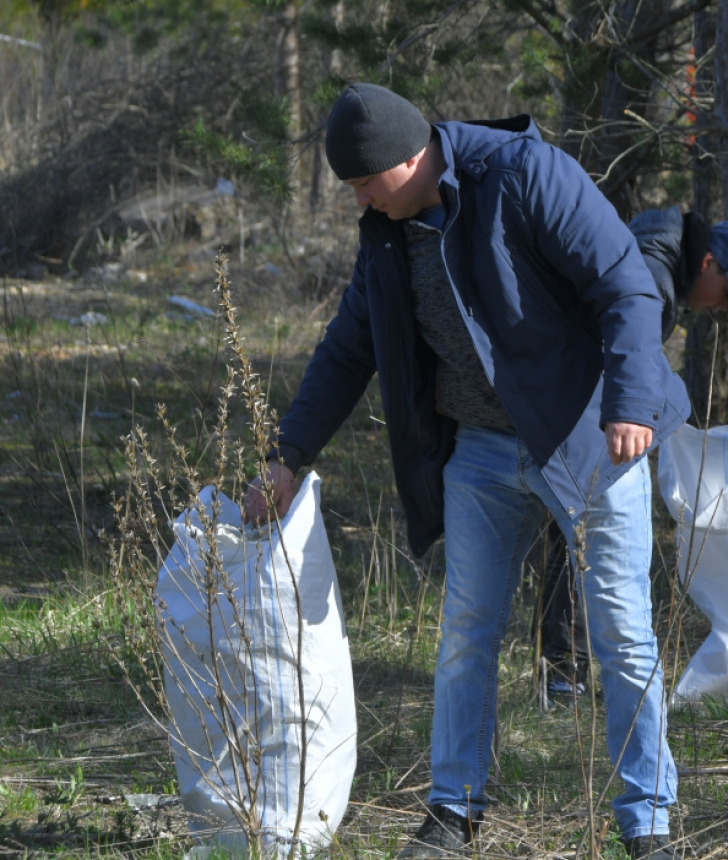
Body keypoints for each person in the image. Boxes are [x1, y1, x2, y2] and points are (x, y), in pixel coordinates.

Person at [244, 83, 690, 860]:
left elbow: (625, 281)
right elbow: (349, 348)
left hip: (586, 434)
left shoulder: (525, 175)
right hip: (480, 452)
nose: (357, 198)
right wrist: (288, 457)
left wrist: (633, 402)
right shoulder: (384, 231)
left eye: (362, 182)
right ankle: (453, 812)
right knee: (465, 634)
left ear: (411, 158)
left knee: (620, 629)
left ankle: (647, 820)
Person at [539, 208, 728, 708]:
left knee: (567, 533)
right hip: (565, 411)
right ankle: (563, 680)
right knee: (577, 531)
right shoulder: (653, 280)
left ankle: (562, 676)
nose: (722, 309)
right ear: (709, 263)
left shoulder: (652, 244)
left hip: (555, 400)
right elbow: (610, 359)